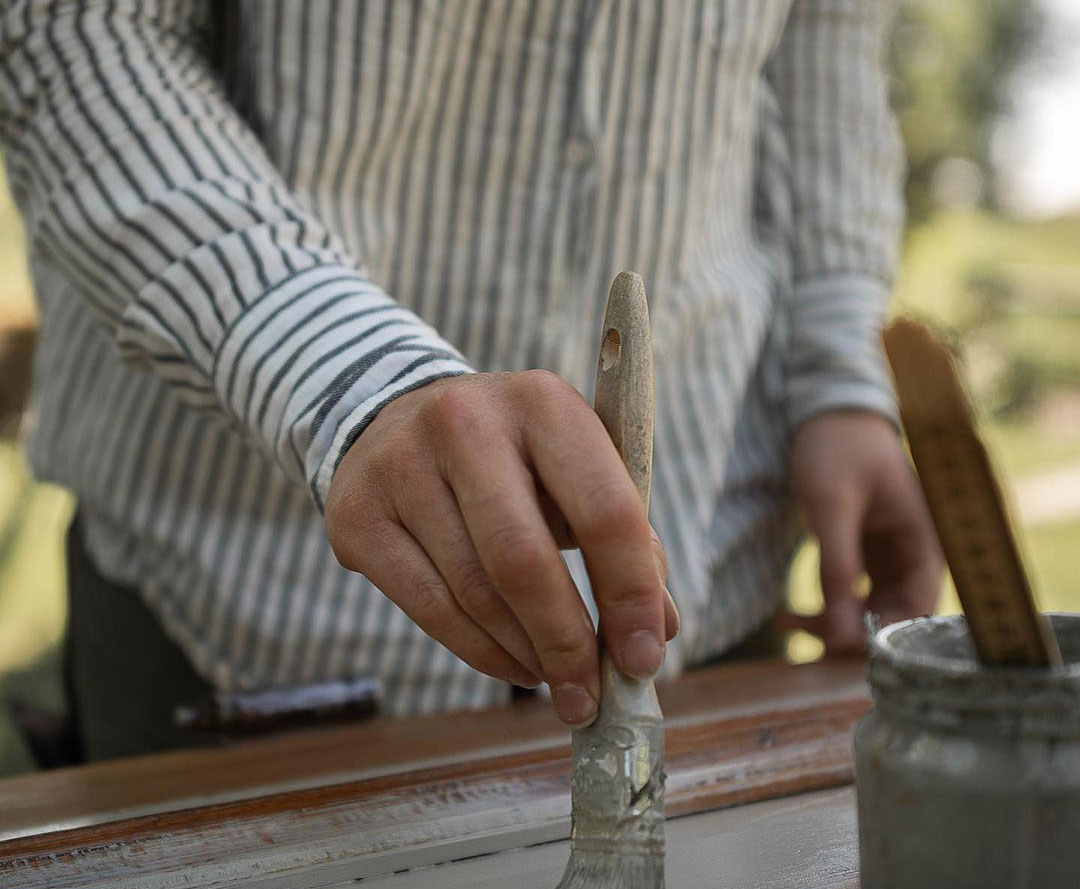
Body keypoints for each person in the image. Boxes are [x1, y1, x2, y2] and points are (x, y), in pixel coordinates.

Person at [0, 0, 941, 760]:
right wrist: (349, 377)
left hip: (713, 554)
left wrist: (839, 373)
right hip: (238, 599)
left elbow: (826, 39)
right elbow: (74, 34)